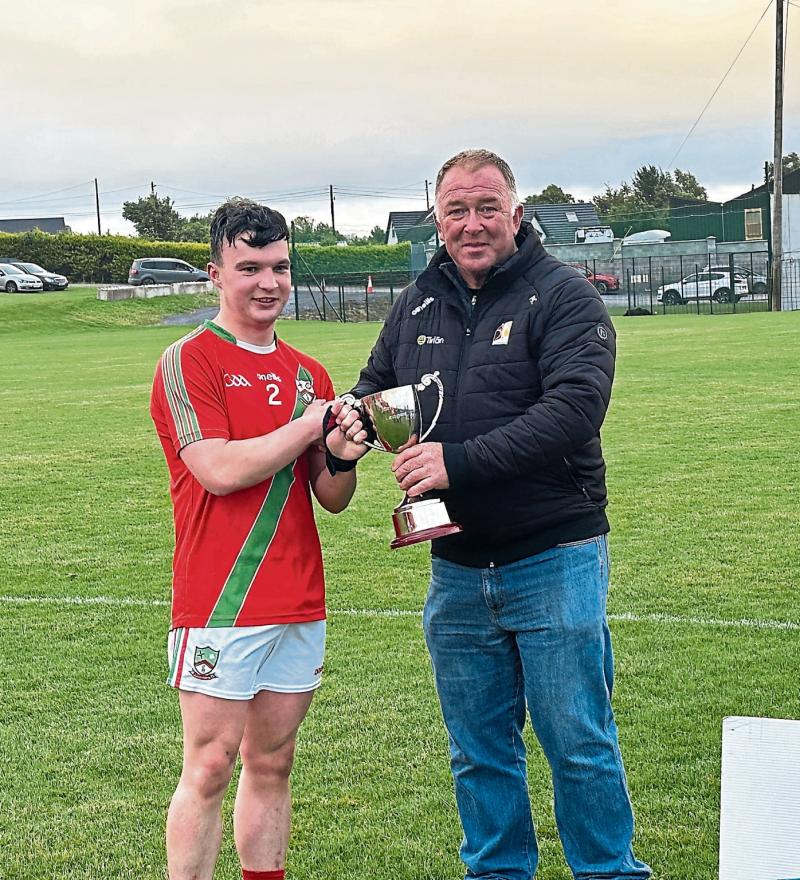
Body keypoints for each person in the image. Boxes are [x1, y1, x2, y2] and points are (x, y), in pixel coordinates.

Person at [342, 150, 652, 879]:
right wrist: (344, 431)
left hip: (554, 556)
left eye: (487, 208)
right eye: (456, 209)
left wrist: (457, 461)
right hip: (455, 568)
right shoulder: (416, 301)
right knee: (478, 748)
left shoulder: (565, 296)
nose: (472, 223)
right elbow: (374, 391)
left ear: (516, 214)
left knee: (576, 739)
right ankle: (497, 872)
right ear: (437, 220)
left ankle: (610, 872)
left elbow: (575, 411)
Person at [150, 198, 365, 880]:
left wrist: (342, 453)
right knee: (209, 766)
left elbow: (330, 498)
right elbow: (216, 471)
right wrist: (309, 427)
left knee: (273, 762)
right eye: (249, 268)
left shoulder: (309, 374)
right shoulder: (190, 361)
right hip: (221, 598)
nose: (268, 282)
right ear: (216, 273)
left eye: (279, 267)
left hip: (297, 596)